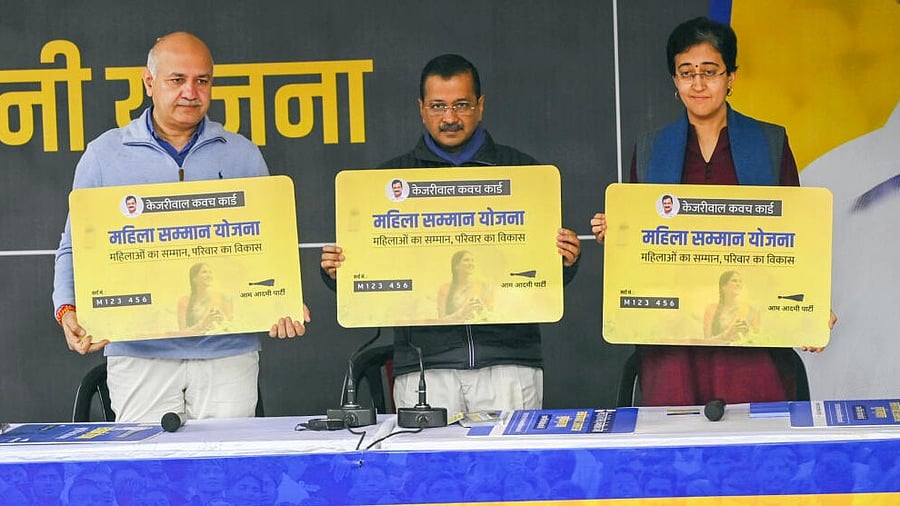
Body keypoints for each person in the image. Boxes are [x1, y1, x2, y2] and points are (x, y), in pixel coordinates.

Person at [52, 32, 309, 422]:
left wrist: (282, 301)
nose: (191, 92)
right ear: (149, 82)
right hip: (139, 350)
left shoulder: (242, 154)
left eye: (202, 80)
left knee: (223, 473)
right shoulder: (105, 154)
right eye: (177, 80)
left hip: (228, 351)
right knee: (148, 473)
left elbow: (267, 247)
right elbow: (75, 245)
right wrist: (67, 309)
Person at [322, 54, 581, 415]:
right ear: (421, 109)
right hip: (425, 368)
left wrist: (565, 260)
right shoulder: (384, 183)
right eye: (438, 106)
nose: (449, 118)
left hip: (508, 364)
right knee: (428, 474)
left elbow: (544, 276)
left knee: (512, 472)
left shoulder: (523, 174)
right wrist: (338, 272)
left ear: (481, 105)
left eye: (461, 105)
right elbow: (369, 283)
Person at [590, 17, 831, 406]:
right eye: (687, 73)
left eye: (710, 72)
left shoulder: (768, 142)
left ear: (731, 77)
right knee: (678, 454)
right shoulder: (653, 148)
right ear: (674, 80)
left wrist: (812, 306)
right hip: (674, 340)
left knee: (756, 454)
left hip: (751, 336)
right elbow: (641, 243)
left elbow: (795, 237)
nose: (698, 85)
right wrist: (618, 234)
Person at [704, 270, 759, 344]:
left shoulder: (750, 310)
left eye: (740, 281)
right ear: (723, 286)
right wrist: (728, 334)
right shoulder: (711, 309)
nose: (738, 284)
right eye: (734, 281)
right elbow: (706, 342)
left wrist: (748, 331)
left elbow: (757, 341)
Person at [437, 250, 493, 322]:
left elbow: (490, 317)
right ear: (456, 266)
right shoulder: (445, 289)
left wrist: (482, 310)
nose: (471, 263)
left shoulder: (483, 287)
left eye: (472, 260)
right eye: (466, 260)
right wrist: (462, 313)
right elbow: (441, 321)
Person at [177, 262, 233, 333]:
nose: (209, 275)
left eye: (210, 272)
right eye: (204, 272)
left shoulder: (224, 298)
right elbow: (182, 332)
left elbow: (230, 328)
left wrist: (223, 320)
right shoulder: (184, 301)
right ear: (194, 278)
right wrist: (202, 325)